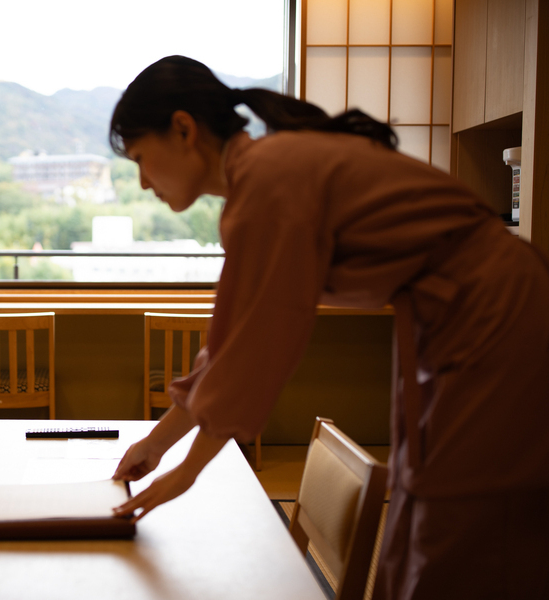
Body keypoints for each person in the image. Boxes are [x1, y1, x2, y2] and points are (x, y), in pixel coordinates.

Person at [109, 55, 549, 599]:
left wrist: (189, 471)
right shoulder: (259, 181)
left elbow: (262, 343)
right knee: (423, 495)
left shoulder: (269, 178)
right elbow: (229, 346)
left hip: (492, 310)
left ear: (182, 129)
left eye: (140, 159)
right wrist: (159, 443)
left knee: (469, 507)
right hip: (451, 315)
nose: (144, 182)